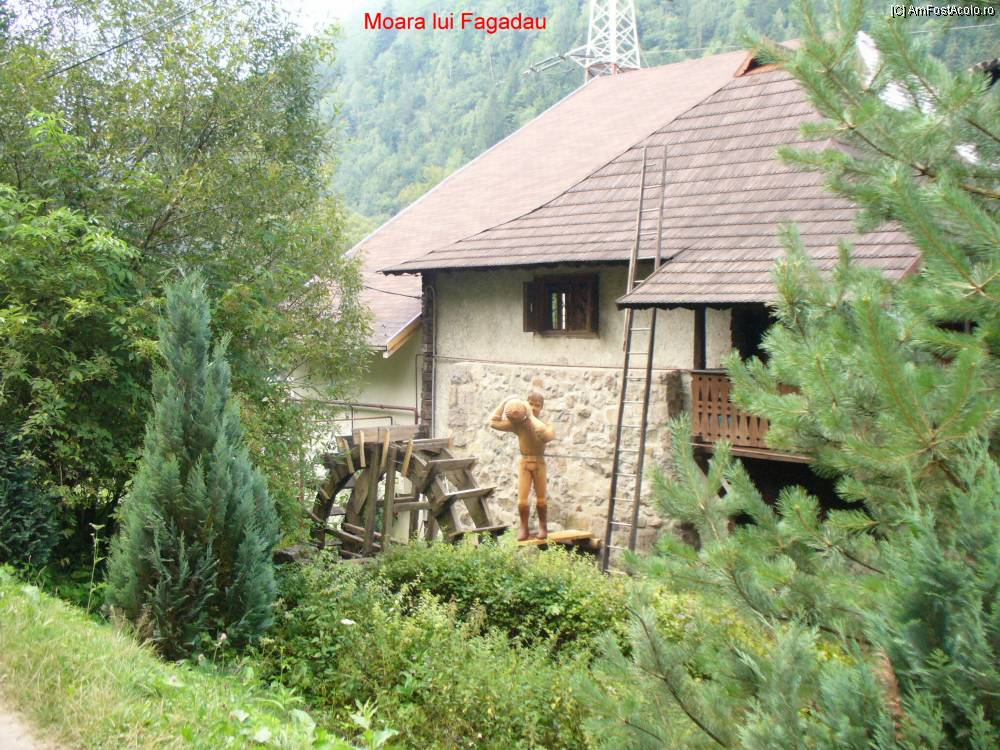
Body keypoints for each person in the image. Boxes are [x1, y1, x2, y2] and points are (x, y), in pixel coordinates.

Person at [488, 392, 555, 540]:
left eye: (537, 405)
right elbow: (493, 422)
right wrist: (506, 401)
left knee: (541, 500)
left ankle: (543, 527)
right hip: (524, 463)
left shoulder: (546, 425)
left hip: (539, 464)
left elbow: (545, 435)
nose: (534, 407)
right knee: (522, 501)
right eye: (531, 404)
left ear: (542, 407)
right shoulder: (519, 425)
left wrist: (530, 415)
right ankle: (523, 528)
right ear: (526, 403)